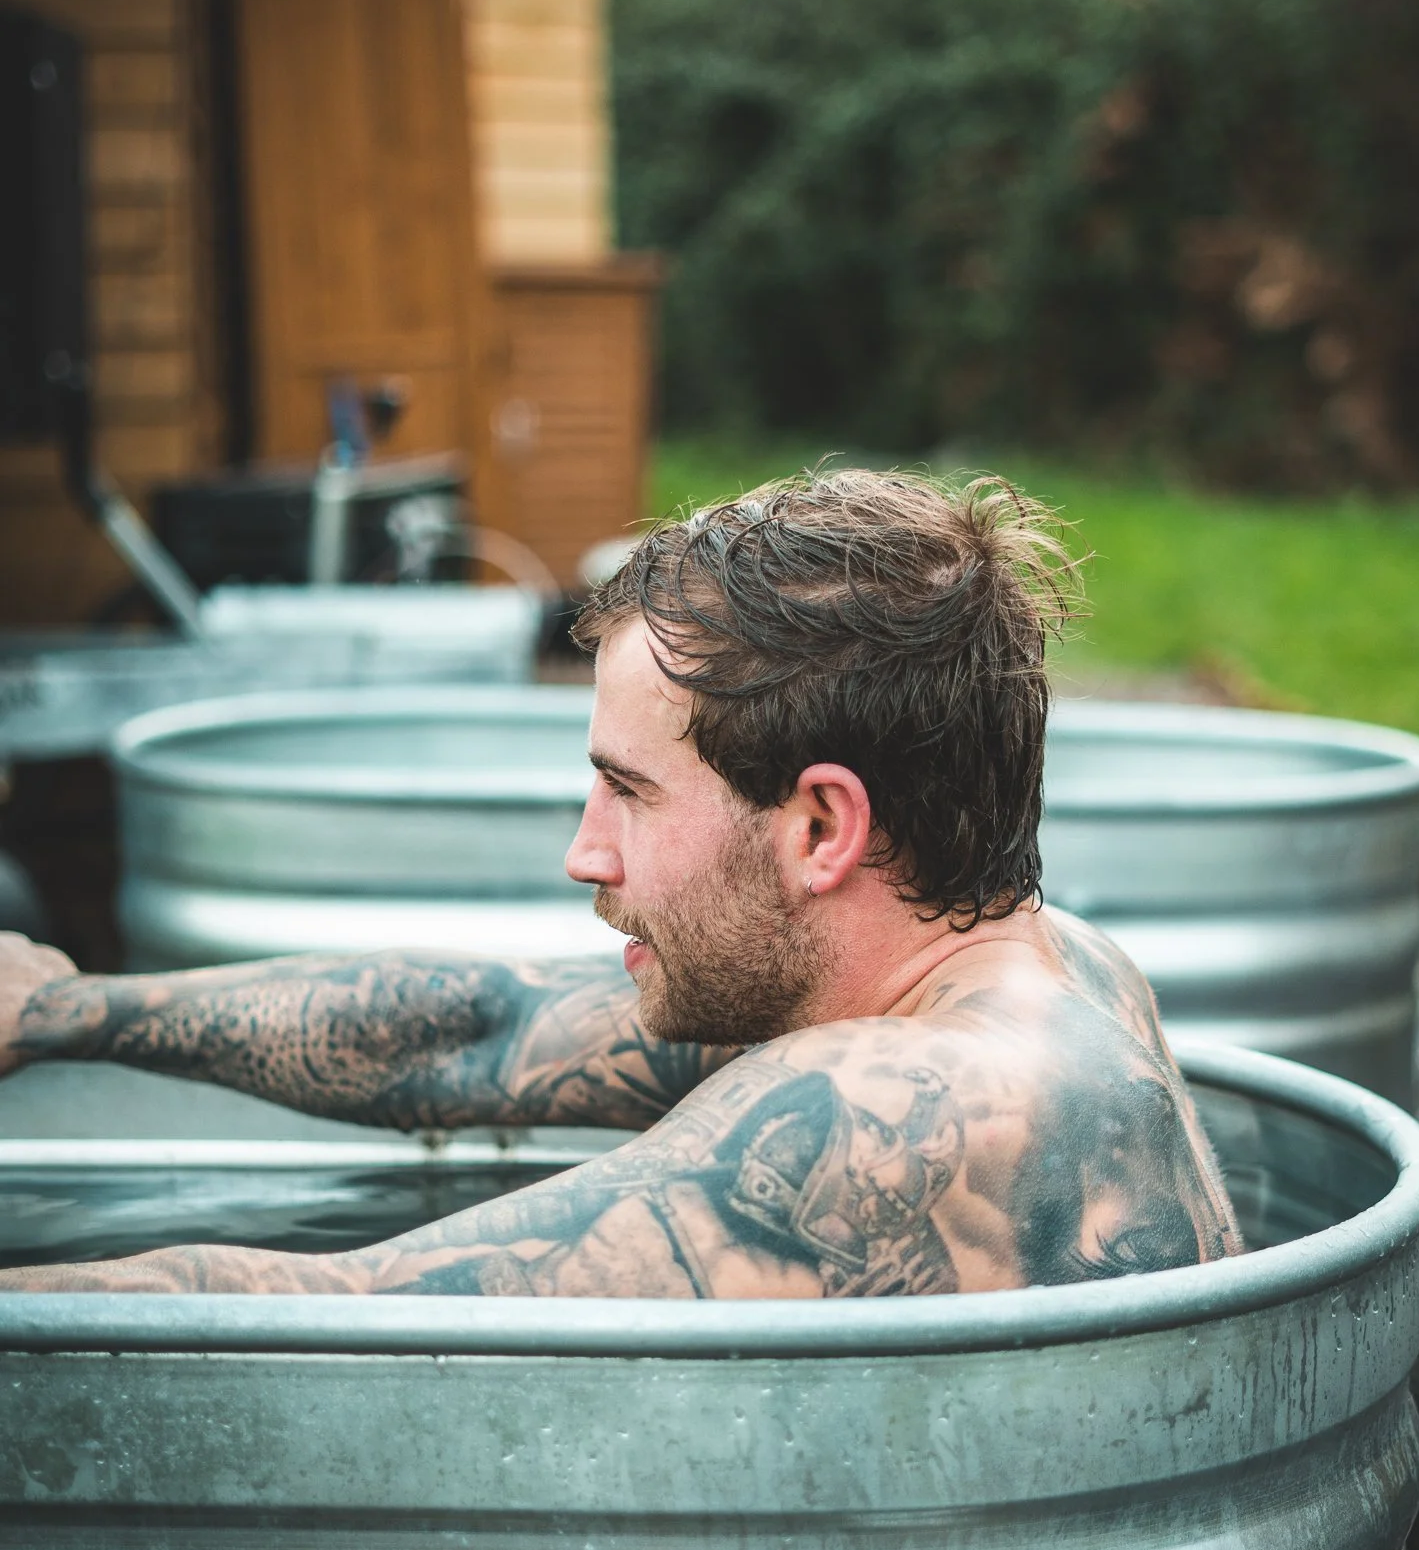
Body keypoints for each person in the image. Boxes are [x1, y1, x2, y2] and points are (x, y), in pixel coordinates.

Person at [0, 470, 1241, 1299]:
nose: (585, 852)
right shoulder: (1038, 967)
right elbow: (478, 1030)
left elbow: (350, 1312)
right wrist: (65, 1005)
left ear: (822, 825)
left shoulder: (899, 1101)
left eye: (629, 790)